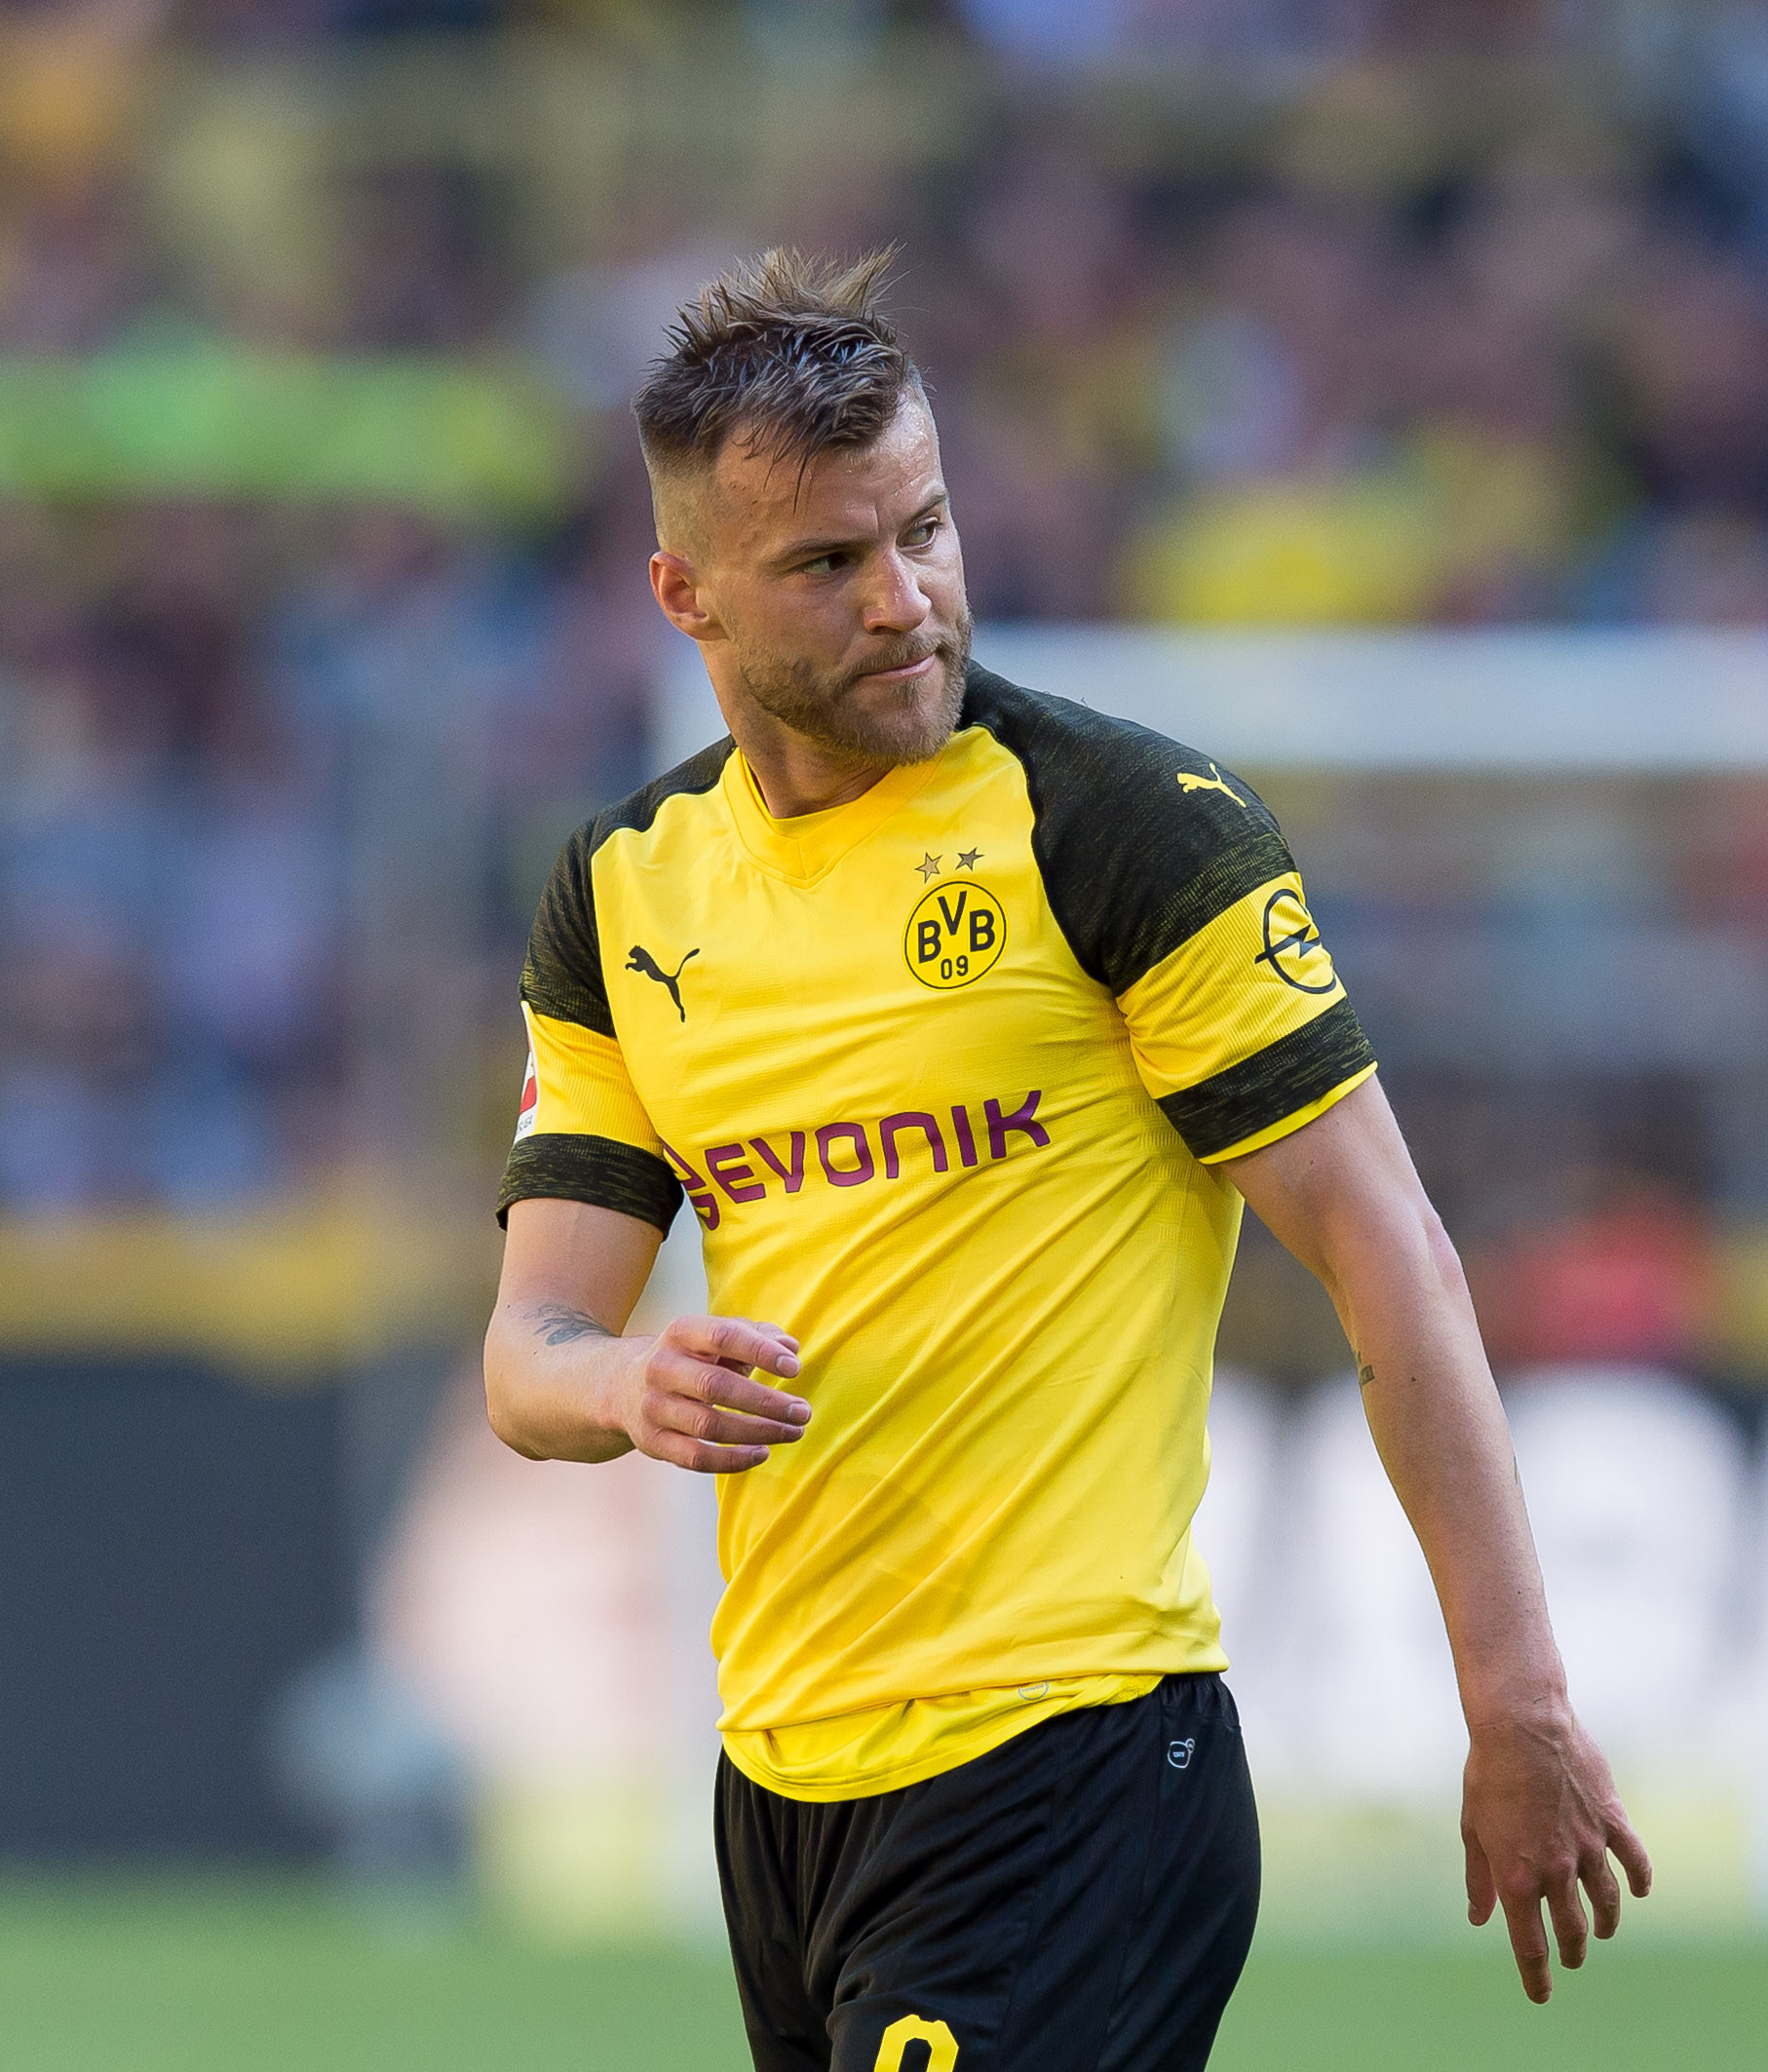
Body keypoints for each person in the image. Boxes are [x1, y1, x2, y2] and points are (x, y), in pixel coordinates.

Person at [480, 249, 1649, 2072]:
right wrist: (627, 1379)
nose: (905, 602)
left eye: (926, 531)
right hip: (784, 1786)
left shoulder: (1118, 826)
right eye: (828, 564)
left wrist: (1517, 1699)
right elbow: (527, 1356)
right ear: (682, 593)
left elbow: (1388, 1252)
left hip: (1074, 1759)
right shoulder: (623, 891)